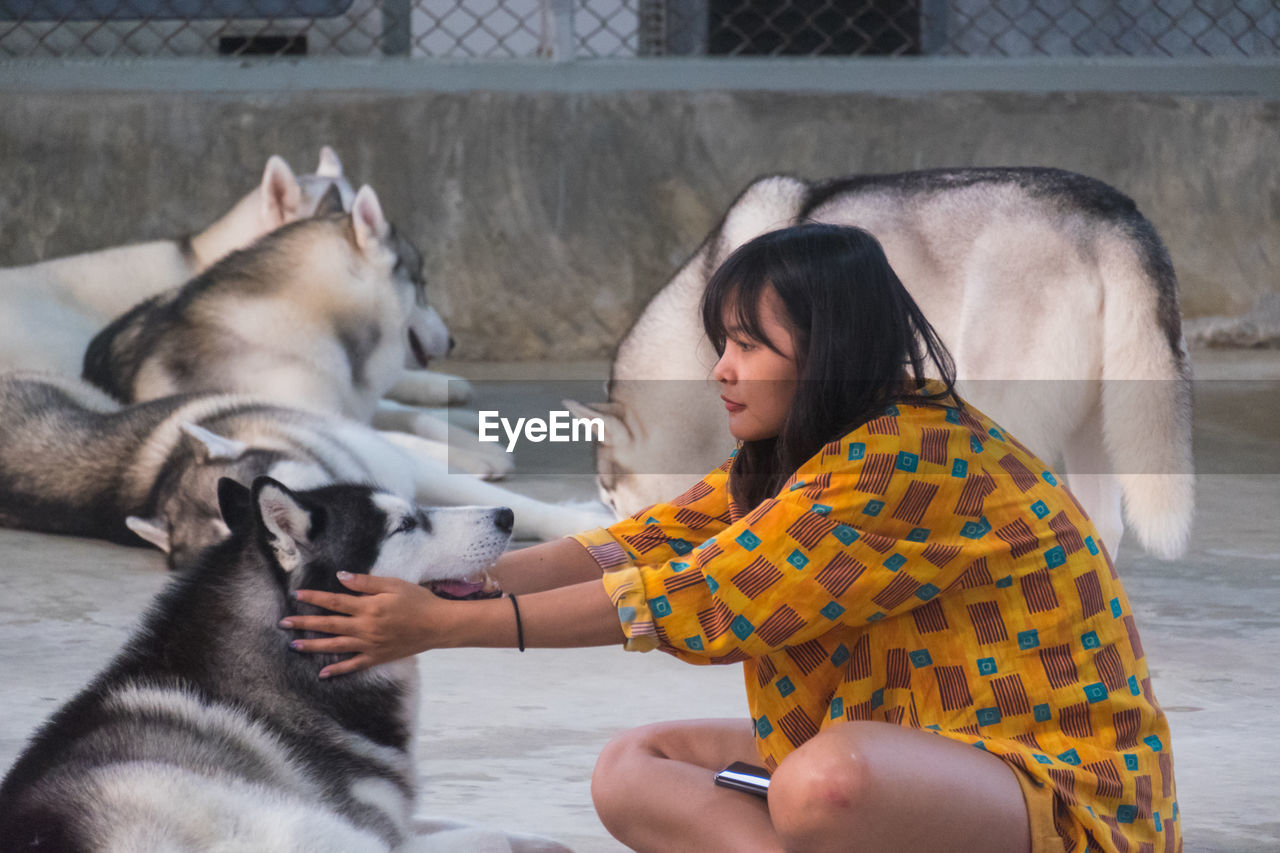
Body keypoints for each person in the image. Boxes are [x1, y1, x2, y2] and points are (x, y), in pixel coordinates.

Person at [282, 224, 1180, 853]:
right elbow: (637, 549)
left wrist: (442, 627)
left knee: (822, 786)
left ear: (824, 351)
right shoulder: (797, 455)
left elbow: (704, 596)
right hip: (897, 759)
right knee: (632, 768)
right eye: (723, 341)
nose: (722, 367)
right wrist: (442, 583)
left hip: (1057, 797)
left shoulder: (908, 462)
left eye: (748, 344)